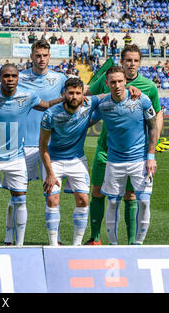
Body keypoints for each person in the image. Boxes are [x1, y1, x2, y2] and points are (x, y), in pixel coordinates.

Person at [0, 64, 60, 247]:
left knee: (20, 199)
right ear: (0, 77)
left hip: (16, 157)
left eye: (14, 76)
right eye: (6, 76)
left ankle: (19, 245)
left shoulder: (28, 95)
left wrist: (64, 99)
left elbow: (46, 105)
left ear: (18, 78)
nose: (10, 79)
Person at [84, 44, 165, 245]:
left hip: (135, 151)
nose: (132, 64)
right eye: (128, 60)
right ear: (121, 61)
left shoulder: (148, 88)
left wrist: (152, 148)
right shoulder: (107, 79)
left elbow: (156, 115)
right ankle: (95, 238)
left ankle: (132, 242)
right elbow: (88, 96)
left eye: (136, 60)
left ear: (140, 62)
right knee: (97, 191)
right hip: (107, 147)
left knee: (131, 196)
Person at [4, 39, 67, 246]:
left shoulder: (59, 79)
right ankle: (9, 237)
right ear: (31, 56)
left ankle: (54, 240)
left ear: (50, 57)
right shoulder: (18, 78)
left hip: (50, 147)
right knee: (17, 195)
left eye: (45, 55)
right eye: (38, 55)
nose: (41, 59)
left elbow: (74, 97)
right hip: (22, 145)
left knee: (52, 195)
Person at [39, 78, 101, 246]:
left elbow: (110, 96)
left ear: (83, 95)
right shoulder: (50, 114)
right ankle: (54, 244)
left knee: (83, 200)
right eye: (71, 93)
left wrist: (132, 88)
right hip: (54, 161)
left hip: (77, 160)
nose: (74, 96)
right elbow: (43, 146)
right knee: (53, 200)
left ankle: (76, 245)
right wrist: (50, 174)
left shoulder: (89, 104)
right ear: (64, 94)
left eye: (78, 93)